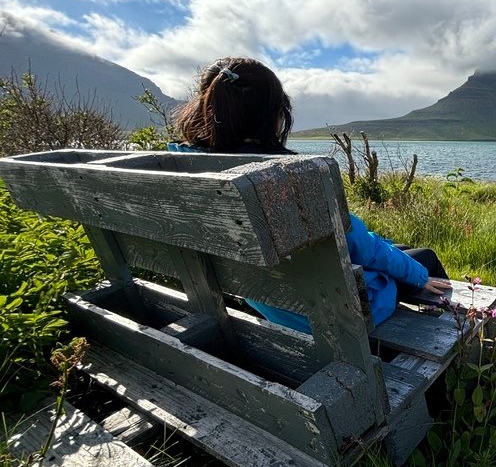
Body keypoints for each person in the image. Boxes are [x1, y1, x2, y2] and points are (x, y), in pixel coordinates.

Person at [170, 56, 451, 330]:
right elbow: (357, 245)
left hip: (268, 300)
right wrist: (419, 276)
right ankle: (449, 342)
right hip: (337, 312)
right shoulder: (283, 179)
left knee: (396, 253)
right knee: (424, 259)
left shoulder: (180, 170)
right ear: (273, 116)